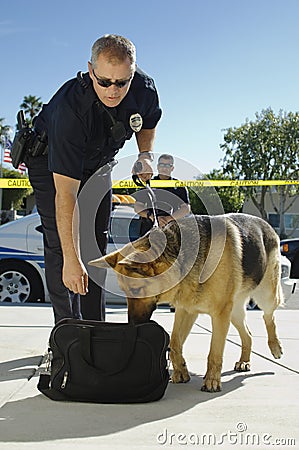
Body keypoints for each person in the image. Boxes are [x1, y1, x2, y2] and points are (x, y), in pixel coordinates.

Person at [26, 34, 162, 323]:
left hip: (99, 161)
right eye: (104, 82)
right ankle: (68, 337)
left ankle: (94, 329)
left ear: (133, 72)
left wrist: (146, 154)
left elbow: (147, 122)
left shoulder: (145, 89)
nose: (113, 90)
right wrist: (72, 262)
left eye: (122, 82)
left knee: (95, 245)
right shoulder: (70, 109)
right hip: (52, 161)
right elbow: (66, 196)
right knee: (64, 250)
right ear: (91, 71)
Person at [133, 154, 190, 235]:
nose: (164, 168)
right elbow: (137, 207)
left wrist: (168, 219)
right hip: (148, 230)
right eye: (162, 164)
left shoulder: (179, 185)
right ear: (157, 166)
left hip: (171, 231)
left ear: (172, 168)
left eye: (167, 165)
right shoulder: (148, 184)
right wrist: (153, 217)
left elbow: (186, 208)